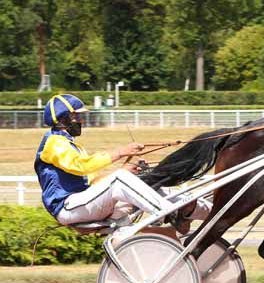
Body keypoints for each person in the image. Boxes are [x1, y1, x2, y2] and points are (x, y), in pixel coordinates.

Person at [34, 94, 207, 230]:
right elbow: (81, 166)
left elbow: (93, 182)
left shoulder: (71, 145)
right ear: (64, 119)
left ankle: (207, 211)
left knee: (147, 182)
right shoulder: (53, 143)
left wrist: (125, 169)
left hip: (82, 203)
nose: (81, 121)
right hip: (67, 207)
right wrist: (121, 152)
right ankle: (170, 213)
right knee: (119, 180)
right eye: (77, 116)